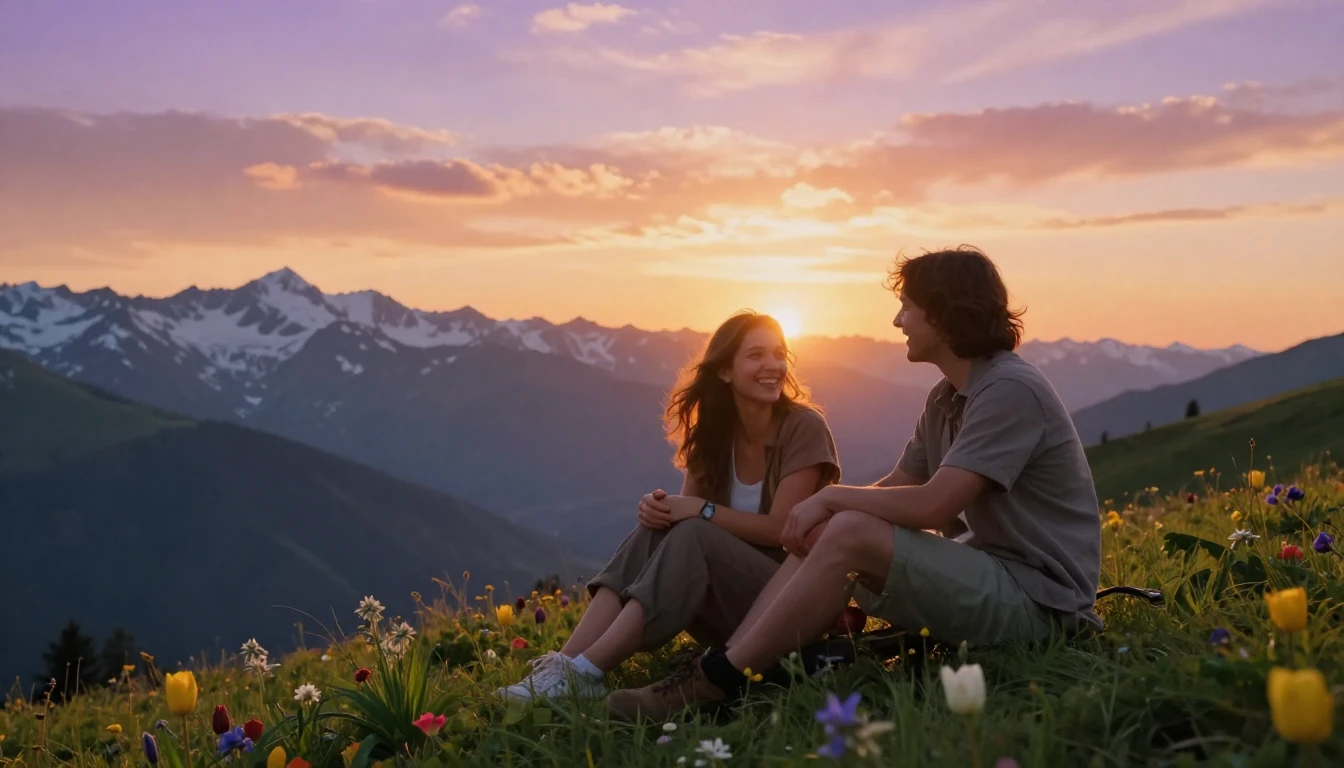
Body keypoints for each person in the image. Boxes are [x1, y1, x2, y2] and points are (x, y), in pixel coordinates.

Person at [604, 245, 1103, 722]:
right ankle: (737, 658)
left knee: (845, 527)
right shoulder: (947, 397)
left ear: (945, 313)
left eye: (907, 307)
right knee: (836, 526)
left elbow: (932, 506)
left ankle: (718, 679)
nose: (897, 321)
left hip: (1043, 601)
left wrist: (831, 499)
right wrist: (828, 512)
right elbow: (895, 487)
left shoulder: (1009, 390)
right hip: (995, 574)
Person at [496, 311, 842, 701]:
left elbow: (782, 529)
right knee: (659, 528)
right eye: (756, 355)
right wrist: (660, 509)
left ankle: (587, 673)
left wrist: (699, 511)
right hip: (729, 608)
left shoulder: (804, 428)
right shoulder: (713, 435)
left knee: (694, 529)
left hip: (790, 604)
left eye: (779, 354)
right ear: (725, 372)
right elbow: (683, 516)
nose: (773, 366)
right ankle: (564, 666)